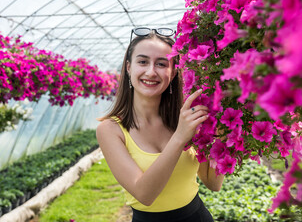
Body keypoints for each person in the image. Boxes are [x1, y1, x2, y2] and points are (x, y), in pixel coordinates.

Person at [96, 27, 224, 222]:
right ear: (129, 68)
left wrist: (222, 137)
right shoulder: (111, 130)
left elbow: (213, 183)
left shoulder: (185, 117)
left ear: (173, 73)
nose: (151, 71)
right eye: (143, 61)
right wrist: (180, 137)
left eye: (162, 64)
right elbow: (144, 194)